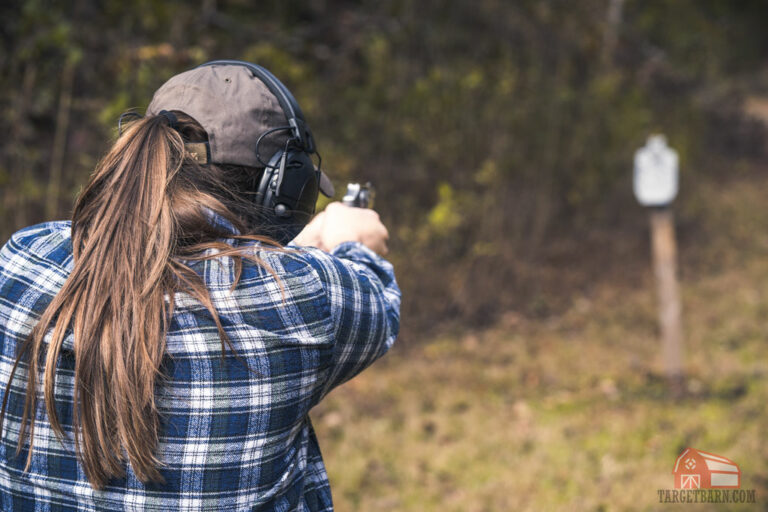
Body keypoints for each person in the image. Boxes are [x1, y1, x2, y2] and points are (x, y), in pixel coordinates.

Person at [0, 60, 400, 511]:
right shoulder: (307, 300)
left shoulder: (22, 259)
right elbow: (374, 297)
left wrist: (284, 254)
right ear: (280, 189)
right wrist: (349, 238)